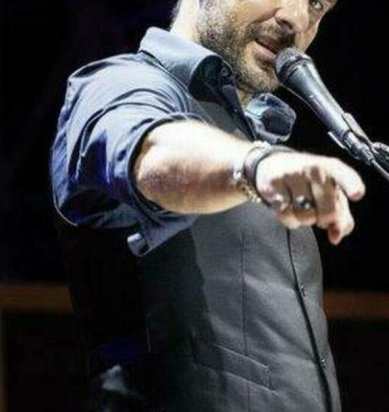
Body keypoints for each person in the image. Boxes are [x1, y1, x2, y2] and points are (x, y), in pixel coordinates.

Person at [49, 0, 363, 411]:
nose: (297, 18)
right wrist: (253, 166)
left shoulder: (261, 143)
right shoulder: (119, 84)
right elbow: (152, 151)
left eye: (317, 4)